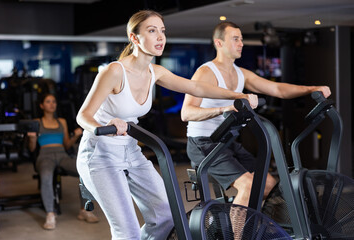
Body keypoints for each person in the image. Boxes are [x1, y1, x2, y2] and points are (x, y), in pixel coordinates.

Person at [76, 10, 258, 240]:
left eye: (162, 31)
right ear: (134, 38)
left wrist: (236, 97)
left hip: (131, 150)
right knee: (127, 231)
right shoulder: (115, 71)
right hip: (99, 153)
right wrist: (104, 125)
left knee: (166, 218)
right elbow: (83, 116)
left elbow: (197, 88)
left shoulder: (155, 72)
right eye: (152, 31)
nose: (160, 37)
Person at [181, 21, 331, 209]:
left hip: (228, 142)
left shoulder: (241, 74)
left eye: (242, 39)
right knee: (250, 186)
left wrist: (312, 89)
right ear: (219, 43)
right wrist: (224, 109)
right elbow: (186, 113)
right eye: (235, 39)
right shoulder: (206, 72)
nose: (241, 43)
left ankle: (250, 226)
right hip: (203, 143)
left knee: (269, 184)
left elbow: (277, 89)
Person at [27, 93, 99, 230]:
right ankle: (50, 214)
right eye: (48, 102)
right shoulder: (37, 122)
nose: (52, 104)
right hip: (44, 156)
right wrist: (32, 139)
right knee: (46, 176)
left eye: (54, 101)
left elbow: (66, 145)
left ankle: (85, 210)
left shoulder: (62, 122)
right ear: (42, 105)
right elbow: (31, 148)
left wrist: (75, 136)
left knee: (84, 171)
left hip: (62, 154)